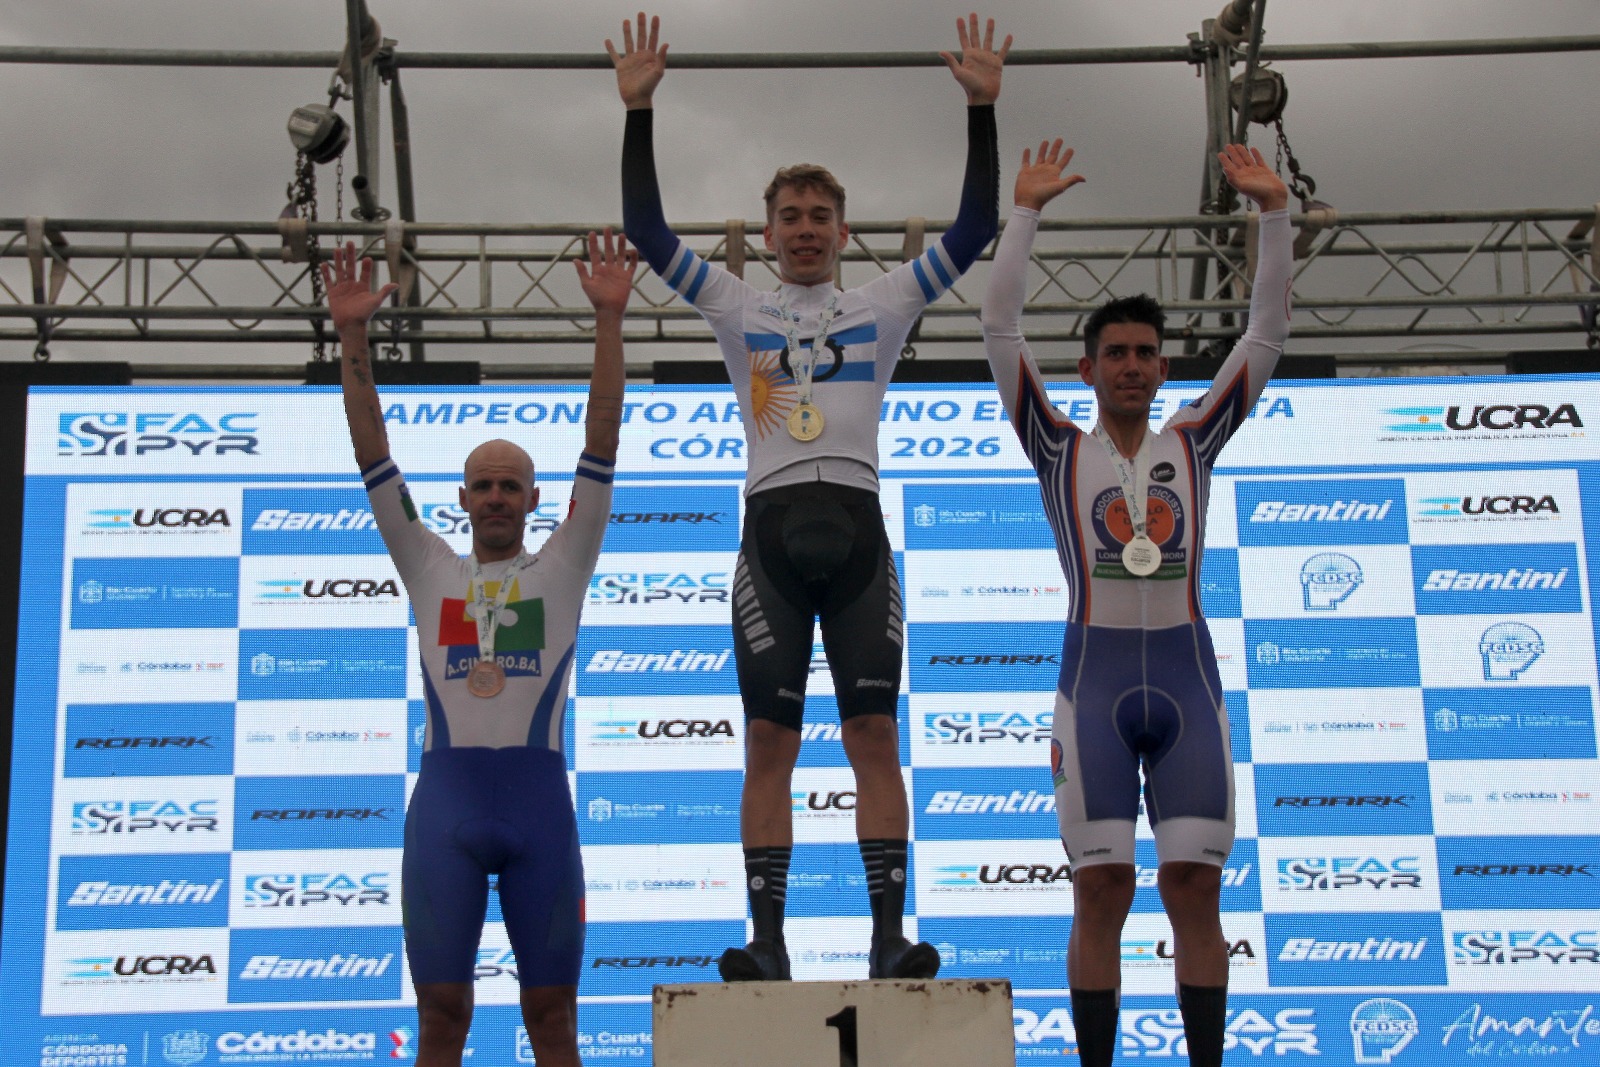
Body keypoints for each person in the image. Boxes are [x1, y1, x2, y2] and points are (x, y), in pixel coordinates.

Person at [610, 11, 1005, 981]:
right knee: (767, 743)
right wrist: (639, 111)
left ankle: (888, 938)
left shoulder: (885, 301)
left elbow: (972, 230)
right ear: (769, 231)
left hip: (858, 529)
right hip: (772, 535)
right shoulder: (733, 303)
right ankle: (768, 942)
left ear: (842, 231)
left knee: (874, 733)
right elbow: (647, 232)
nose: (803, 230)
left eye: (819, 216)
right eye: (788, 216)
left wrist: (982, 111)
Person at [980, 141, 1290, 1067]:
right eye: (1114, 353)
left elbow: (1263, 337)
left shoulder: (1193, 441)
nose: (1131, 366)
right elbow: (999, 328)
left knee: (1195, 887)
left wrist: (1275, 214)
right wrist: (1024, 213)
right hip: (1095, 689)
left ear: (1163, 369)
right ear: (1086, 369)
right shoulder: (1056, 447)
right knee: (1102, 890)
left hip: (1189, 686)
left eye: (1146, 354)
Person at [326, 231, 636, 1067]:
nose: (497, 496)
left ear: (535, 499)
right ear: (461, 498)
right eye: (484, 485)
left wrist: (610, 320)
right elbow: (372, 450)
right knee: (441, 1015)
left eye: (511, 485)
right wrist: (352, 338)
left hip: (539, 806)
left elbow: (602, 440)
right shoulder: (428, 564)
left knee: (554, 1019)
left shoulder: (563, 563)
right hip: (447, 806)